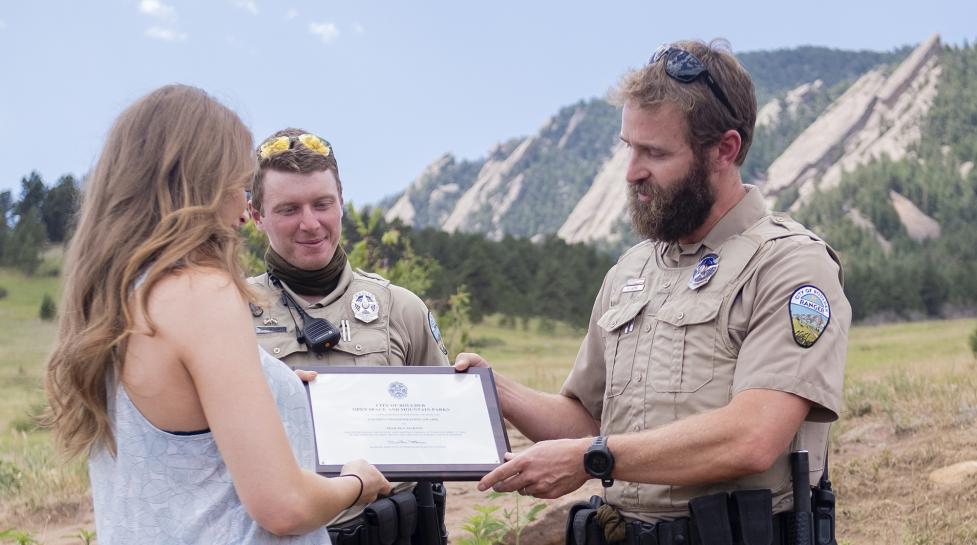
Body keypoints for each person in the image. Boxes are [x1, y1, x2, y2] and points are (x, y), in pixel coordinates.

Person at [456, 40, 850, 545]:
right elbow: (585, 420)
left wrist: (592, 459)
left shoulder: (789, 264)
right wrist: (495, 389)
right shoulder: (632, 270)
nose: (631, 171)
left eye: (655, 153)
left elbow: (752, 439)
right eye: (629, 147)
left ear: (724, 151)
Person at [44, 84, 391, 545]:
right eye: (236, 184)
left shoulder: (120, 296)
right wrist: (357, 484)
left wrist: (279, 387)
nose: (242, 212)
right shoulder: (200, 293)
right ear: (198, 184)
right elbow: (282, 507)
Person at [248, 127, 451, 544]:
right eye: (288, 209)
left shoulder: (400, 307)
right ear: (256, 216)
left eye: (322, 204)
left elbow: (447, 427)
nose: (310, 223)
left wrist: (468, 394)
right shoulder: (230, 315)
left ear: (341, 202)